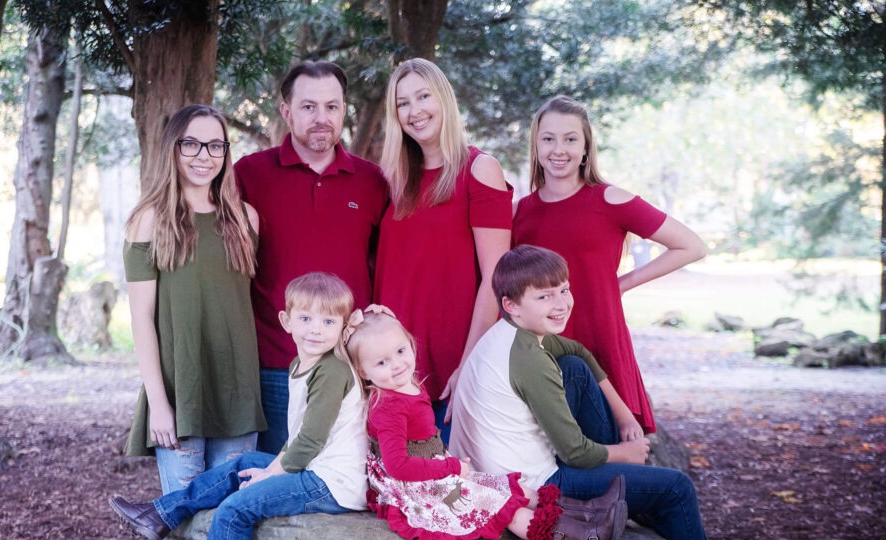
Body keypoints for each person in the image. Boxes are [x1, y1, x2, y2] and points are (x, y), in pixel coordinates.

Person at [451, 245, 768, 540]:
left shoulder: (512, 335)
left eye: (564, 290)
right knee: (675, 488)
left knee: (576, 371)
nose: (561, 303)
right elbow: (578, 453)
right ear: (511, 304)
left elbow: (577, 349)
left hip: (509, 467)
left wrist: (625, 417)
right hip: (532, 487)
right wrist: (625, 454)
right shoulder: (527, 359)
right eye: (544, 296)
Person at [108, 272, 369, 540]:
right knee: (244, 461)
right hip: (317, 469)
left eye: (329, 321)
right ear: (286, 321)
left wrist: (271, 473)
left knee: (234, 510)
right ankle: (162, 514)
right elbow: (302, 440)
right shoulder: (305, 362)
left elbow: (310, 441)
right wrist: (269, 467)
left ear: (345, 327)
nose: (316, 330)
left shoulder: (331, 369)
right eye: (307, 319)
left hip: (332, 482)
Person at [344, 306, 627, 540]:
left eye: (400, 351)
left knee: (509, 488)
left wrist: (448, 463)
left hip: (433, 472)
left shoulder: (405, 385)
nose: (396, 364)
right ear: (362, 371)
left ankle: (588, 514)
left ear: (409, 343)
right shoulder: (388, 408)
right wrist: (451, 466)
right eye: (381, 363)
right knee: (503, 508)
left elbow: (421, 439)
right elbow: (399, 467)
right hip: (418, 489)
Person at [512, 95, 707, 435]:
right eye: (549, 139)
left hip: (599, 335)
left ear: (586, 148)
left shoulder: (610, 199)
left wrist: (620, 284)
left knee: (611, 452)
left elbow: (691, 246)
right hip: (542, 347)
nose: (559, 149)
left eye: (570, 139)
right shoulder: (519, 212)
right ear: (536, 146)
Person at [235, 60, 389, 454]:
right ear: (286, 111)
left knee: (341, 486)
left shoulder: (373, 181)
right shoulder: (249, 175)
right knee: (271, 479)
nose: (322, 118)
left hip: (351, 363)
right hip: (276, 365)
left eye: (332, 107)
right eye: (308, 107)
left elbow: (383, 267)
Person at [123, 104, 266, 494]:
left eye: (215, 146)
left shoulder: (243, 218)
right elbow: (141, 318)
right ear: (173, 148)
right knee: (187, 523)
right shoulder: (149, 219)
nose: (204, 156)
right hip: (180, 389)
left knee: (232, 516)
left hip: (237, 390)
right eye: (192, 144)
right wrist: (159, 403)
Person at [373, 58, 513, 442]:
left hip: (452, 365)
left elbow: (496, 278)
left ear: (444, 100)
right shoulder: (393, 179)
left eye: (423, 96)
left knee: (455, 489)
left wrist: (466, 364)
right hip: (392, 368)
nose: (415, 111)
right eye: (403, 103)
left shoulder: (479, 168)